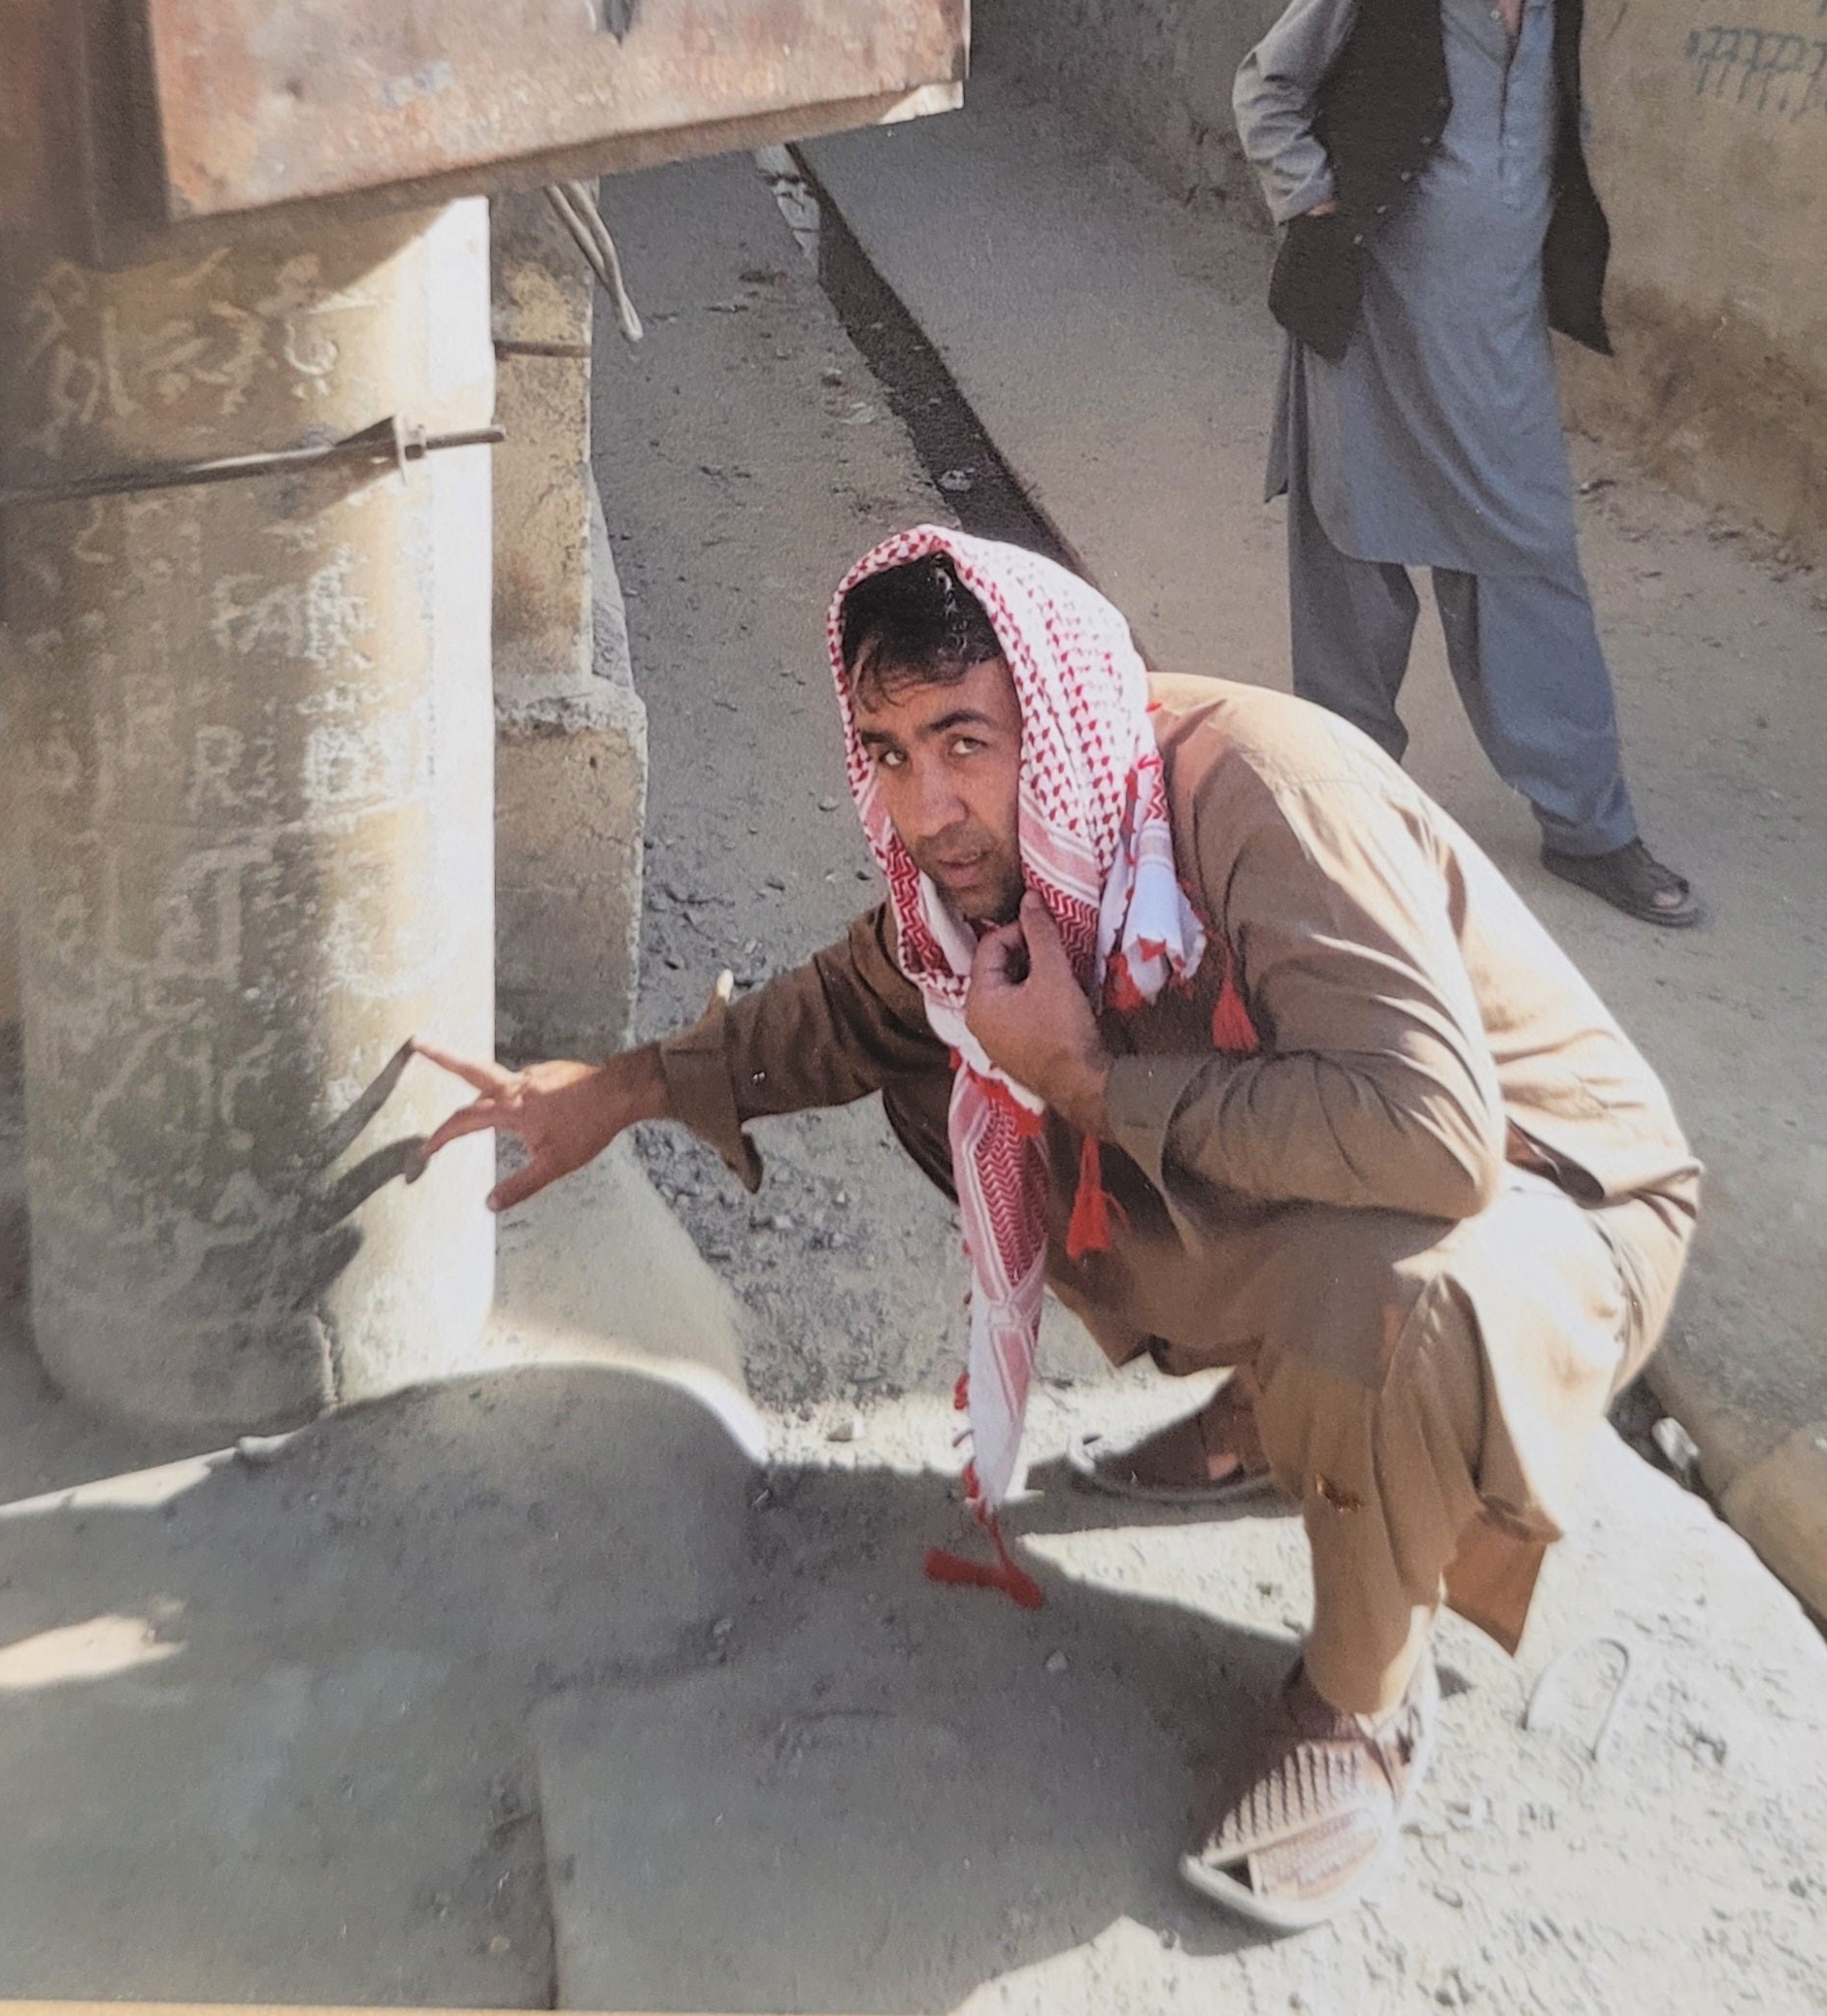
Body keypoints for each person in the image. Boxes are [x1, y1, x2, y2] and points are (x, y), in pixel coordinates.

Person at [415, 528, 1700, 1933]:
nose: (929, 802)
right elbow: (861, 1004)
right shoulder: (1010, 851)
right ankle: (1282, 1404)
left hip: (1558, 1197)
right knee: (945, 1057)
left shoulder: (1258, 792)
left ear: (1053, 710)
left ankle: (1361, 1699)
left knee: (1394, 1289)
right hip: (1373, 1164)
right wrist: (622, 1088)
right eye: (889, 750)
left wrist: (1087, 1079)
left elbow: (1439, 1141)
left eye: (966, 740)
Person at [1233, 0, 1700, 927]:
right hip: (1372, 330)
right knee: (1352, 573)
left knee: (1530, 566)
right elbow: (1267, 88)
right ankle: (1344, 824)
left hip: (1494, 342)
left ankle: (1589, 827)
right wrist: (1316, 206)